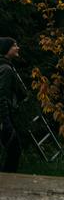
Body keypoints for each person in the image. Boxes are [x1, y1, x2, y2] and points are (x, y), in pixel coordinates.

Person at [0, 37, 27, 173]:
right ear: (6, 49)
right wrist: (6, 122)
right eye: (14, 45)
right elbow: (1, 97)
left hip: (5, 118)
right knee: (14, 151)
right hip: (3, 119)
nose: (17, 47)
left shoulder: (6, 66)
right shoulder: (6, 69)